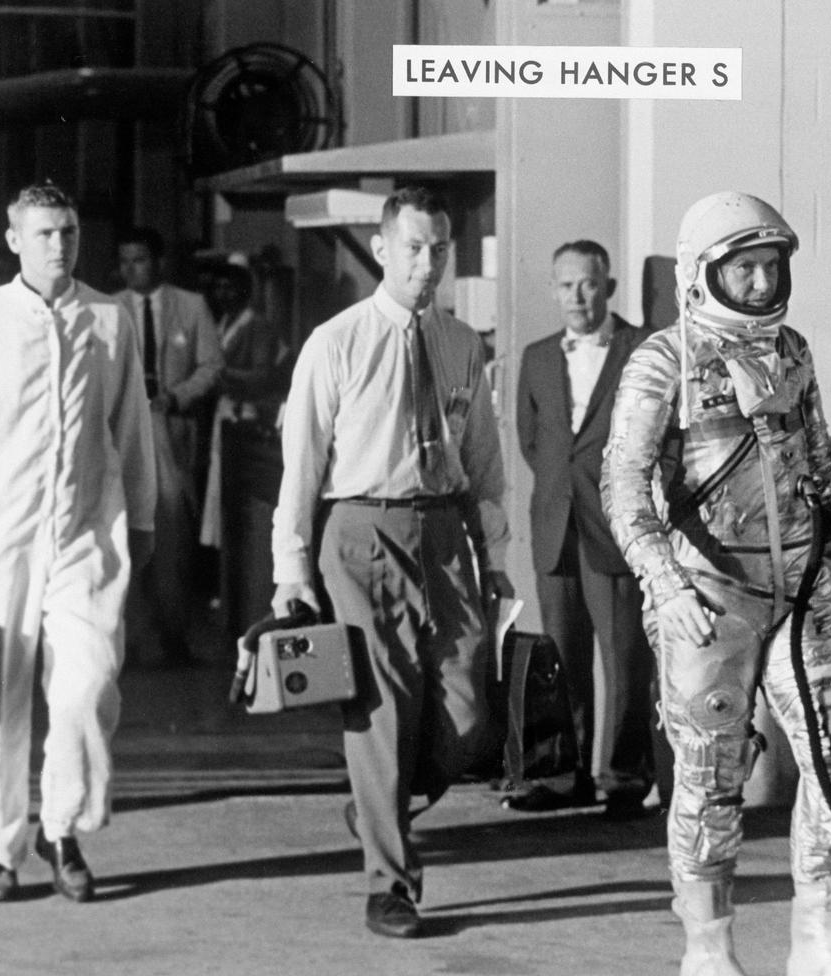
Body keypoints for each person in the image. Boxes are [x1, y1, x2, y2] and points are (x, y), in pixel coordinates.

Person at [601, 191, 831, 976]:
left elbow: (820, 459)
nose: (762, 283)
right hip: (709, 593)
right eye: (745, 268)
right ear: (705, 274)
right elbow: (622, 487)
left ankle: (822, 947)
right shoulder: (663, 361)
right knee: (708, 779)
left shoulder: (790, 351)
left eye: (771, 266)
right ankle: (708, 950)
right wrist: (665, 585)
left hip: (802, 582)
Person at [270, 185, 512, 939]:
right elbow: (301, 469)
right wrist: (292, 570)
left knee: (468, 707)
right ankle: (390, 886)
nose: (428, 261)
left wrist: (495, 557)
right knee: (381, 711)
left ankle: (387, 798)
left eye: (439, 246)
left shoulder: (463, 343)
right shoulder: (335, 342)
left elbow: (485, 463)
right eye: (413, 246)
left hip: (443, 533)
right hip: (360, 532)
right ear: (381, 248)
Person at [0, 182, 156, 903]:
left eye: (70, 231)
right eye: (45, 233)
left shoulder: (109, 319)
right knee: (0, 704)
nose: (60, 244)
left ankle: (64, 829)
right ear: (15, 239)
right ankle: (0, 851)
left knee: (85, 685)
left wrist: (140, 522)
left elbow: (132, 431)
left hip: (86, 535)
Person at [512, 239, 657, 818]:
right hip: (555, 524)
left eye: (589, 283)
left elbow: (662, 434)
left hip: (615, 527)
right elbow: (533, 440)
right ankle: (563, 776)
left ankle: (624, 777)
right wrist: (562, 490)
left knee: (625, 658)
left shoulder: (642, 348)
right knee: (561, 659)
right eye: (566, 284)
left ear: (609, 287)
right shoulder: (537, 356)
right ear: (553, 289)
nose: (577, 295)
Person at [114, 226, 223, 667]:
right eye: (124, 261)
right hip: (122, 430)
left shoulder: (190, 306)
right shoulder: (109, 309)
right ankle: (133, 639)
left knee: (172, 531)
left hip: (168, 426)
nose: (131, 269)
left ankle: (174, 635)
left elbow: (212, 365)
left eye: (139, 259)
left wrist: (177, 396)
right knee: (126, 535)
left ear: (157, 262)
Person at [199, 259, 290, 550]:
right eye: (218, 288)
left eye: (230, 287)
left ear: (245, 290)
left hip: (245, 413)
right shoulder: (222, 322)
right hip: (223, 409)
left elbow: (264, 374)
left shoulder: (256, 324)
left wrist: (221, 374)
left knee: (231, 484)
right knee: (214, 484)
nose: (223, 294)